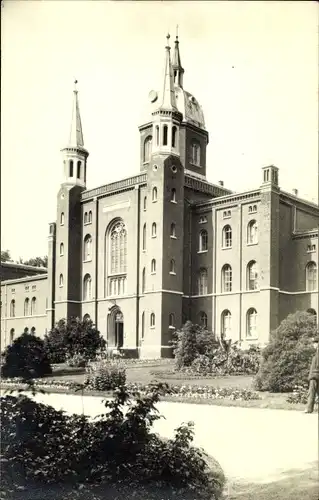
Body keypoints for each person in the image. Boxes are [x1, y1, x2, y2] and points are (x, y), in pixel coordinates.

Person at [305, 335, 319, 414]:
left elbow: (316, 365)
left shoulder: (318, 352)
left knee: (311, 391)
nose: (313, 345)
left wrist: (313, 373)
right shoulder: (316, 352)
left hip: (315, 374)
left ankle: (309, 409)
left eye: (315, 343)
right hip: (316, 374)